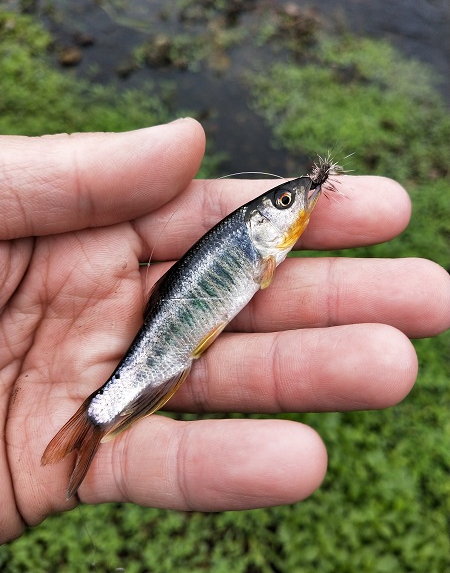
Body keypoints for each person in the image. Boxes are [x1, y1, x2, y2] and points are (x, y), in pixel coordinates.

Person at [0, 118, 449, 544]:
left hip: (179, 335)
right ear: (261, 225)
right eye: (285, 204)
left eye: (286, 202)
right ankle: (99, 416)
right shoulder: (260, 249)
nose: (296, 203)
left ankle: (100, 418)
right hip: (172, 340)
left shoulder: (268, 247)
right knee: (161, 370)